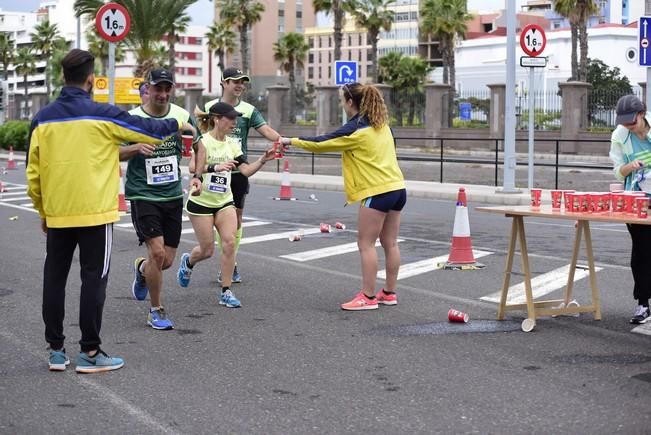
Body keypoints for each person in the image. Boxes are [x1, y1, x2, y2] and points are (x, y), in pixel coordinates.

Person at [26, 49, 195, 373]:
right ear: (91, 79)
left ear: (64, 77)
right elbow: (152, 130)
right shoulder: (103, 114)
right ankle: (90, 353)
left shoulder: (42, 118)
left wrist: (43, 210)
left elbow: (33, 173)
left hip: (59, 213)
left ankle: (56, 351)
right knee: (93, 280)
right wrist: (181, 120)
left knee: (55, 278)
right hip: (96, 215)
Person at [279, 82, 406, 311]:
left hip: (376, 192)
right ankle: (388, 293)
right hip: (398, 188)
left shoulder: (355, 128)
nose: (342, 104)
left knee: (366, 244)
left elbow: (322, 143)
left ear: (350, 102)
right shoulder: (383, 125)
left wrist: (290, 141)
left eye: (342, 100)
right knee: (391, 243)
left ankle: (367, 298)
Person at [120, 68, 206, 330]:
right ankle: (156, 310)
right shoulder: (132, 118)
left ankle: (142, 270)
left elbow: (201, 147)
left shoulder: (180, 115)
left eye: (168, 89)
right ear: (148, 88)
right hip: (142, 193)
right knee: (157, 252)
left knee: (166, 260)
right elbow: (112, 151)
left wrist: (198, 176)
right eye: (158, 88)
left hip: (171, 194)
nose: (163, 94)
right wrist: (135, 148)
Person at [177, 102, 275, 307]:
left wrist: (263, 160)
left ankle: (226, 291)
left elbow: (245, 171)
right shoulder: (203, 141)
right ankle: (189, 261)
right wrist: (216, 167)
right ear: (217, 119)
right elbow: (193, 167)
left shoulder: (233, 144)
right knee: (207, 250)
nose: (234, 122)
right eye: (230, 118)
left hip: (224, 201)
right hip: (201, 201)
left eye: (235, 118)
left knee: (229, 242)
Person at [201, 67, 281, 284]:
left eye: (243, 82)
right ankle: (225, 260)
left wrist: (281, 141)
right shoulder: (209, 108)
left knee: (234, 220)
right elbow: (200, 139)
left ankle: (230, 263)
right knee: (216, 220)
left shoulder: (248, 109)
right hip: (213, 173)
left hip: (238, 173)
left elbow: (265, 130)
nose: (240, 85)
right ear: (224, 83)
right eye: (235, 81)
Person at [609, 94, 651, 324]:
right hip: (636, 199)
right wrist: (630, 166)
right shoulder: (619, 136)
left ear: (642, 114)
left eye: (631, 122)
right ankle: (643, 303)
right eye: (624, 122)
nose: (628, 126)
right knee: (642, 252)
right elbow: (618, 170)